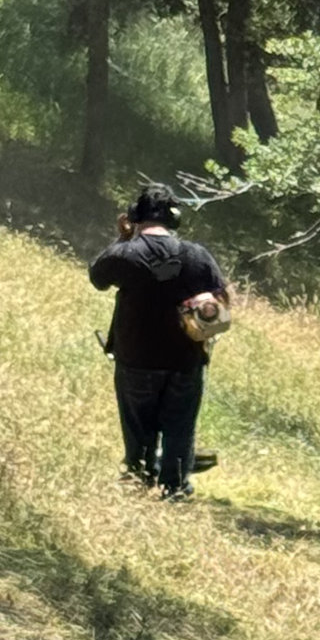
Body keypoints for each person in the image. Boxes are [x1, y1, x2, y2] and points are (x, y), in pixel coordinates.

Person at [89, 183, 228, 501]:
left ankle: (139, 479)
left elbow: (97, 278)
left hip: (135, 359)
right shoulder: (197, 256)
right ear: (174, 219)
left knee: (138, 428)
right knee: (180, 428)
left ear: (136, 215)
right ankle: (175, 489)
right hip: (185, 361)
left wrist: (123, 239)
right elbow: (221, 301)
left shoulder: (124, 254)